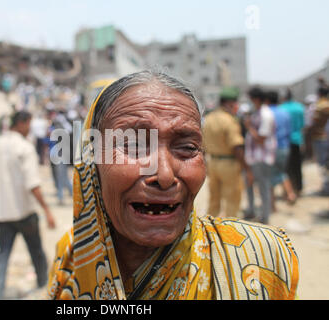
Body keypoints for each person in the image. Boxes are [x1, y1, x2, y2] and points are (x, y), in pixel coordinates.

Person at [48, 70, 299, 300]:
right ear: (93, 163)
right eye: (134, 146)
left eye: (188, 148)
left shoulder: (263, 256)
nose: (165, 175)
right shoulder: (70, 256)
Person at [0, 111, 56, 300]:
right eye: (29, 124)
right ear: (22, 123)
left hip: (2, 213)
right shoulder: (24, 147)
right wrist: (47, 210)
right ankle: (44, 286)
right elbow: (32, 183)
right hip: (24, 211)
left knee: (2, 255)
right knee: (37, 251)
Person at [203, 87, 253, 218]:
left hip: (212, 162)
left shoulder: (208, 118)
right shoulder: (229, 120)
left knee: (214, 199)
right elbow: (236, 146)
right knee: (232, 199)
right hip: (229, 164)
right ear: (230, 103)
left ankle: (209, 228)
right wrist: (247, 169)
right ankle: (230, 229)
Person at [243, 87, 277, 224]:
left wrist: (249, 127)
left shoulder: (265, 115)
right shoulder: (257, 113)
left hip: (262, 157)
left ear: (256, 99)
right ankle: (252, 210)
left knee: (263, 186)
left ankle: (265, 216)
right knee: (249, 184)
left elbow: (262, 138)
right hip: (253, 157)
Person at [266, 91, 296, 210]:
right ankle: (290, 194)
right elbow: (290, 131)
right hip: (285, 147)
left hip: (271, 148)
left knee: (268, 175)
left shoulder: (267, 113)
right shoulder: (285, 113)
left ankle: (272, 205)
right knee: (281, 172)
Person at [280, 90, 305, 195]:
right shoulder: (299, 107)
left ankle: (288, 190)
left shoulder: (281, 108)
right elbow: (303, 125)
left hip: (285, 141)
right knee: (297, 165)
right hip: (297, 140)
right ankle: (298, 188)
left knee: (286, 166)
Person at [309, 86, 329, 196]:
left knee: (323, 164)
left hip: (320, 137)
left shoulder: (319, 106)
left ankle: (326, 188)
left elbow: (314, 121)